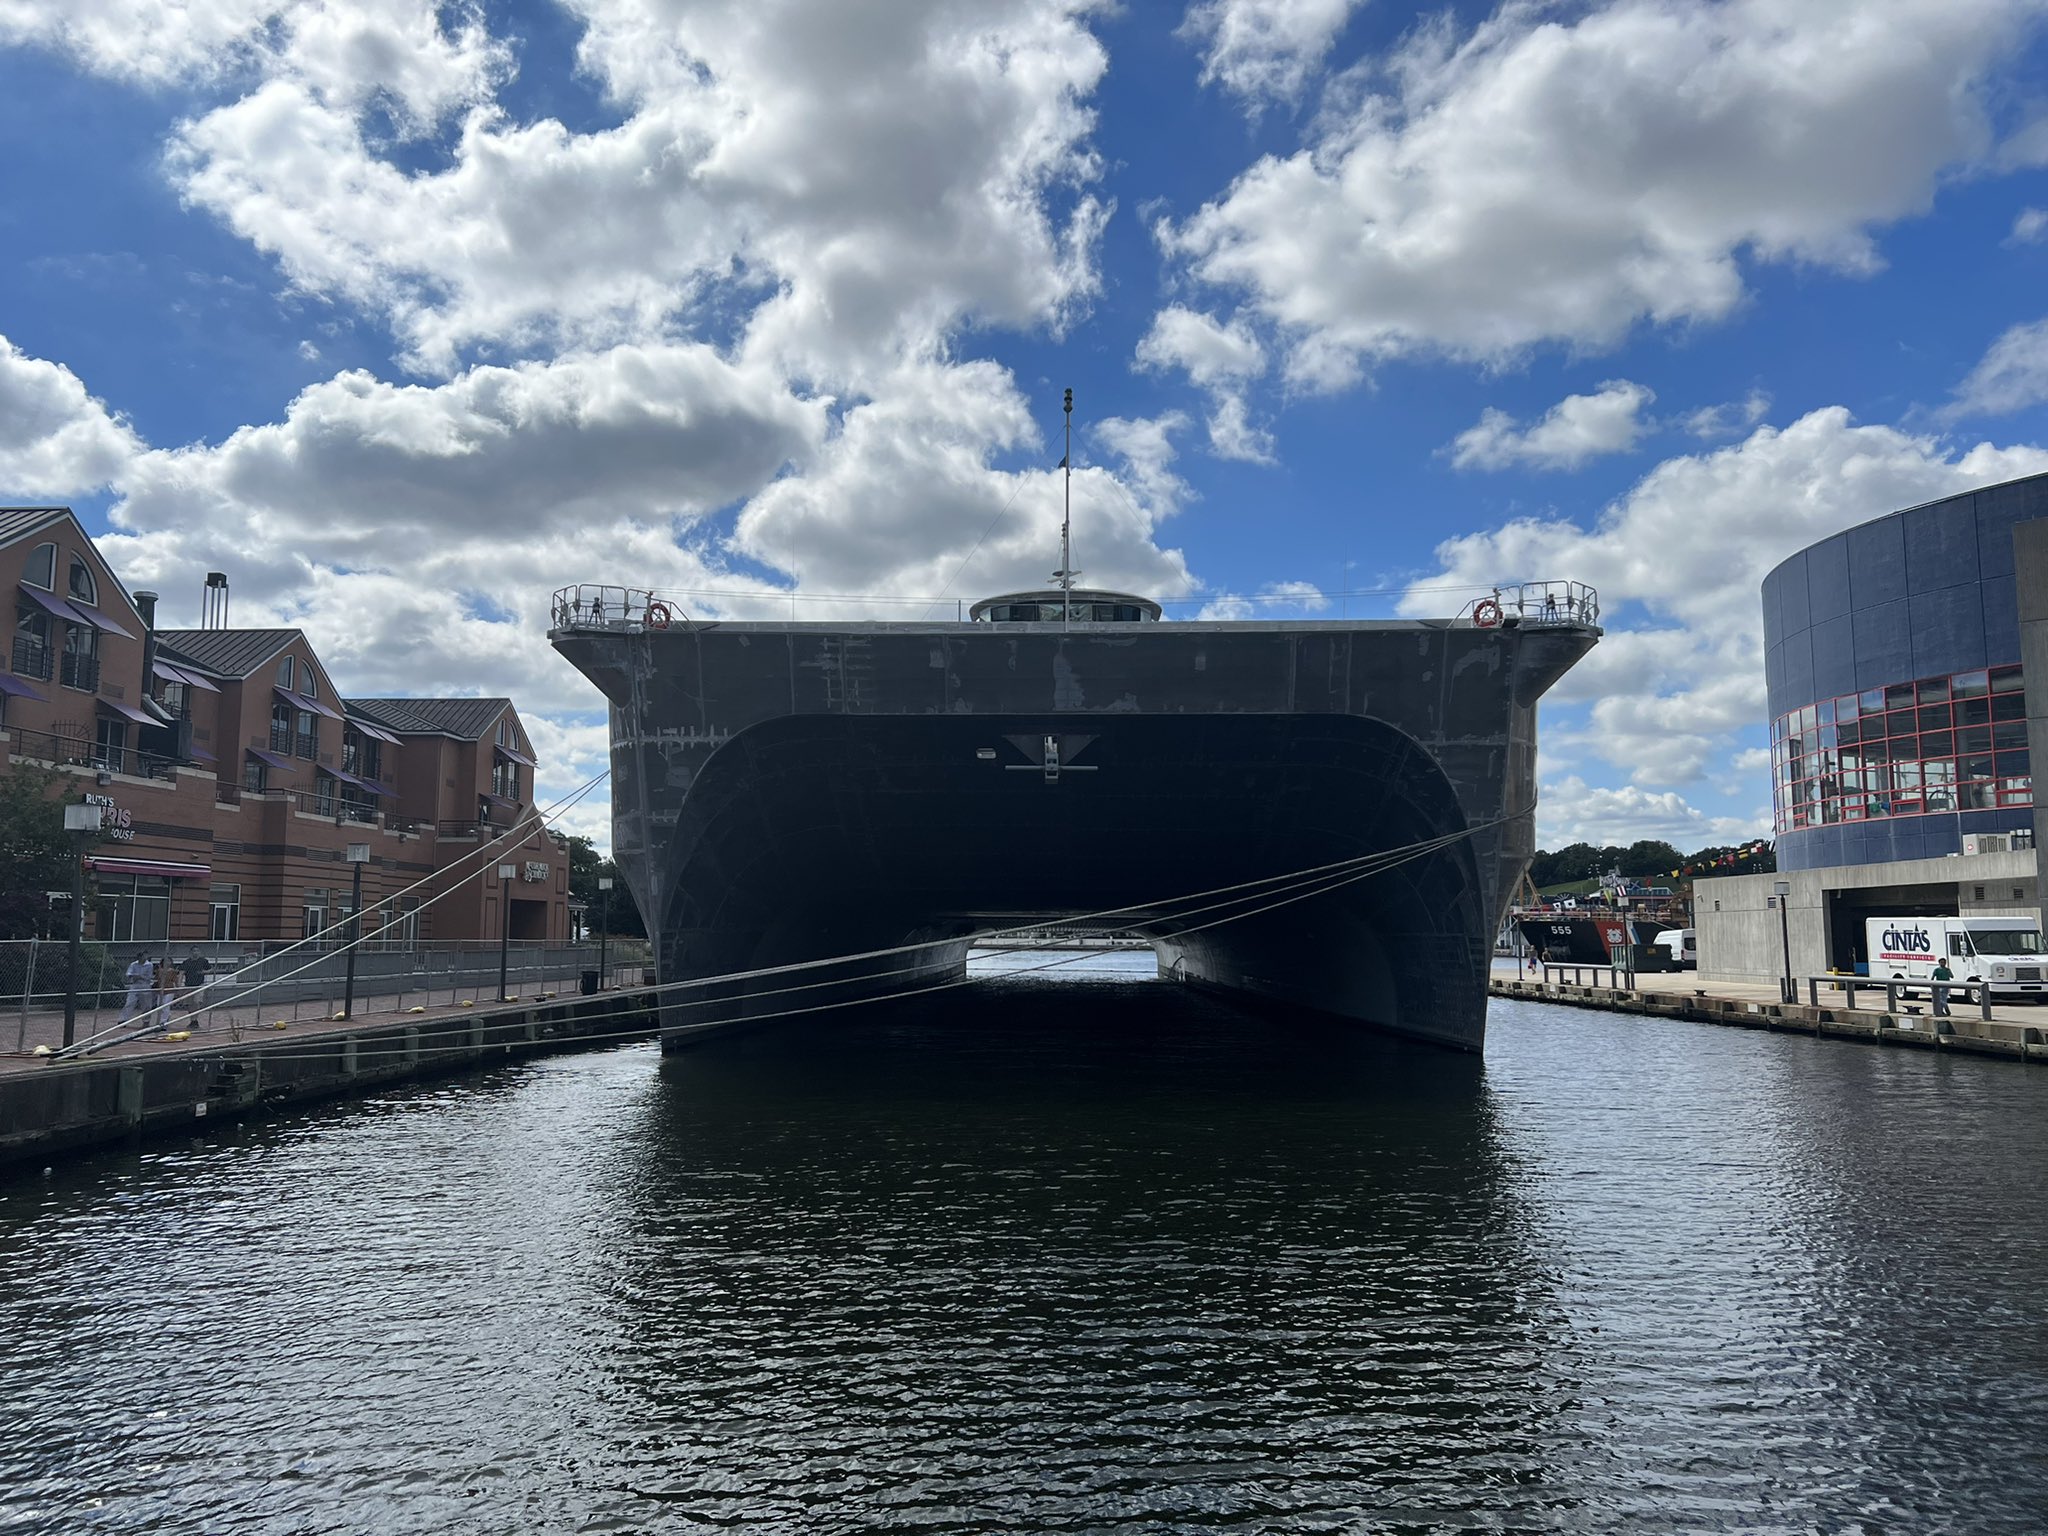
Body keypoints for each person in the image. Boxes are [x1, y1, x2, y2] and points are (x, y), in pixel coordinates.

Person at [118, 955, 156, 1024]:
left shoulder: (149, 965)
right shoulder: (133, 964)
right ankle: (123, 1019)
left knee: (146, 1004)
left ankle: (146, 1020)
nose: (144, 958)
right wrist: (135, 976)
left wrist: (140, 976)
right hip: (135, 985)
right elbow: (128, 974)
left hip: (145, 985)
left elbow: (149, 977)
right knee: (129, 1002)